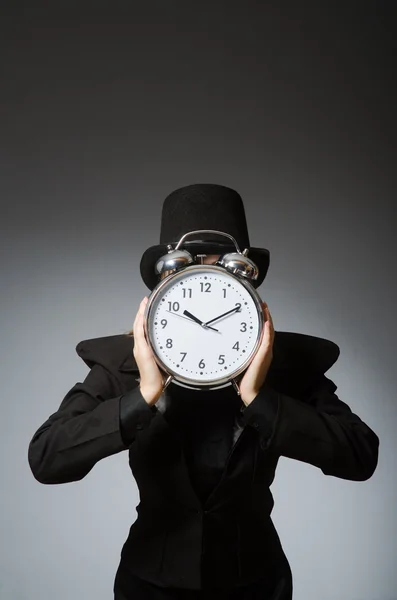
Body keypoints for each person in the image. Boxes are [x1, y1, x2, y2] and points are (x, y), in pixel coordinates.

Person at [27, 184, 380, 599]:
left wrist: (259, 398)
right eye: (190, 267)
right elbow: (46, 458)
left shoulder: (282, 365)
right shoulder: (125, 365)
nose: (209, 282)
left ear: (248, 285)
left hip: (257, 583)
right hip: (151, 585)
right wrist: (143, 396)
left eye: (223, 269)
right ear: (164, 285)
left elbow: (360, 455)